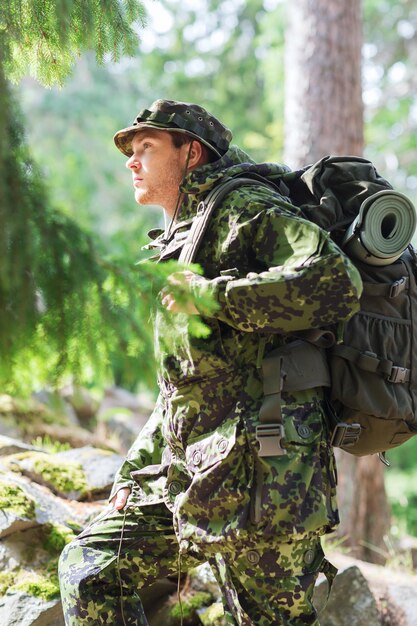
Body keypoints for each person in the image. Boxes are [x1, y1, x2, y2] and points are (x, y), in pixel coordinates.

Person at [59, 99, 362, 625]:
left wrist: (214, 297)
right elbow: (184, 385)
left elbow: (335, 282)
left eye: (146, 148)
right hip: (192, 472)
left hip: (270, 480)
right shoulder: (184, 235)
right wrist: (136, 468)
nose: (131, 161)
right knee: (91, 568)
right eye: (130, 151)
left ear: (191, 152)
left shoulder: (245, 207)